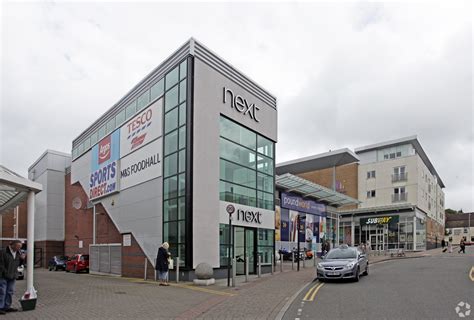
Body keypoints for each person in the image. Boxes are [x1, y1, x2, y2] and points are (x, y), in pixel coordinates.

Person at [0, 240, 25, 314]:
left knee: (10, 292)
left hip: (13, 276)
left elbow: (19, 264)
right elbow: (1, 264)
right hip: (3, 276)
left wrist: (22, 259)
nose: (19, 248)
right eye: (18, 246)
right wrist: (5, 273)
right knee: (2, 292)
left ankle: (7, 307)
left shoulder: (18, 253)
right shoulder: (3, 252)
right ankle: (0, 307)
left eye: (20, 247)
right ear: (12, 245)